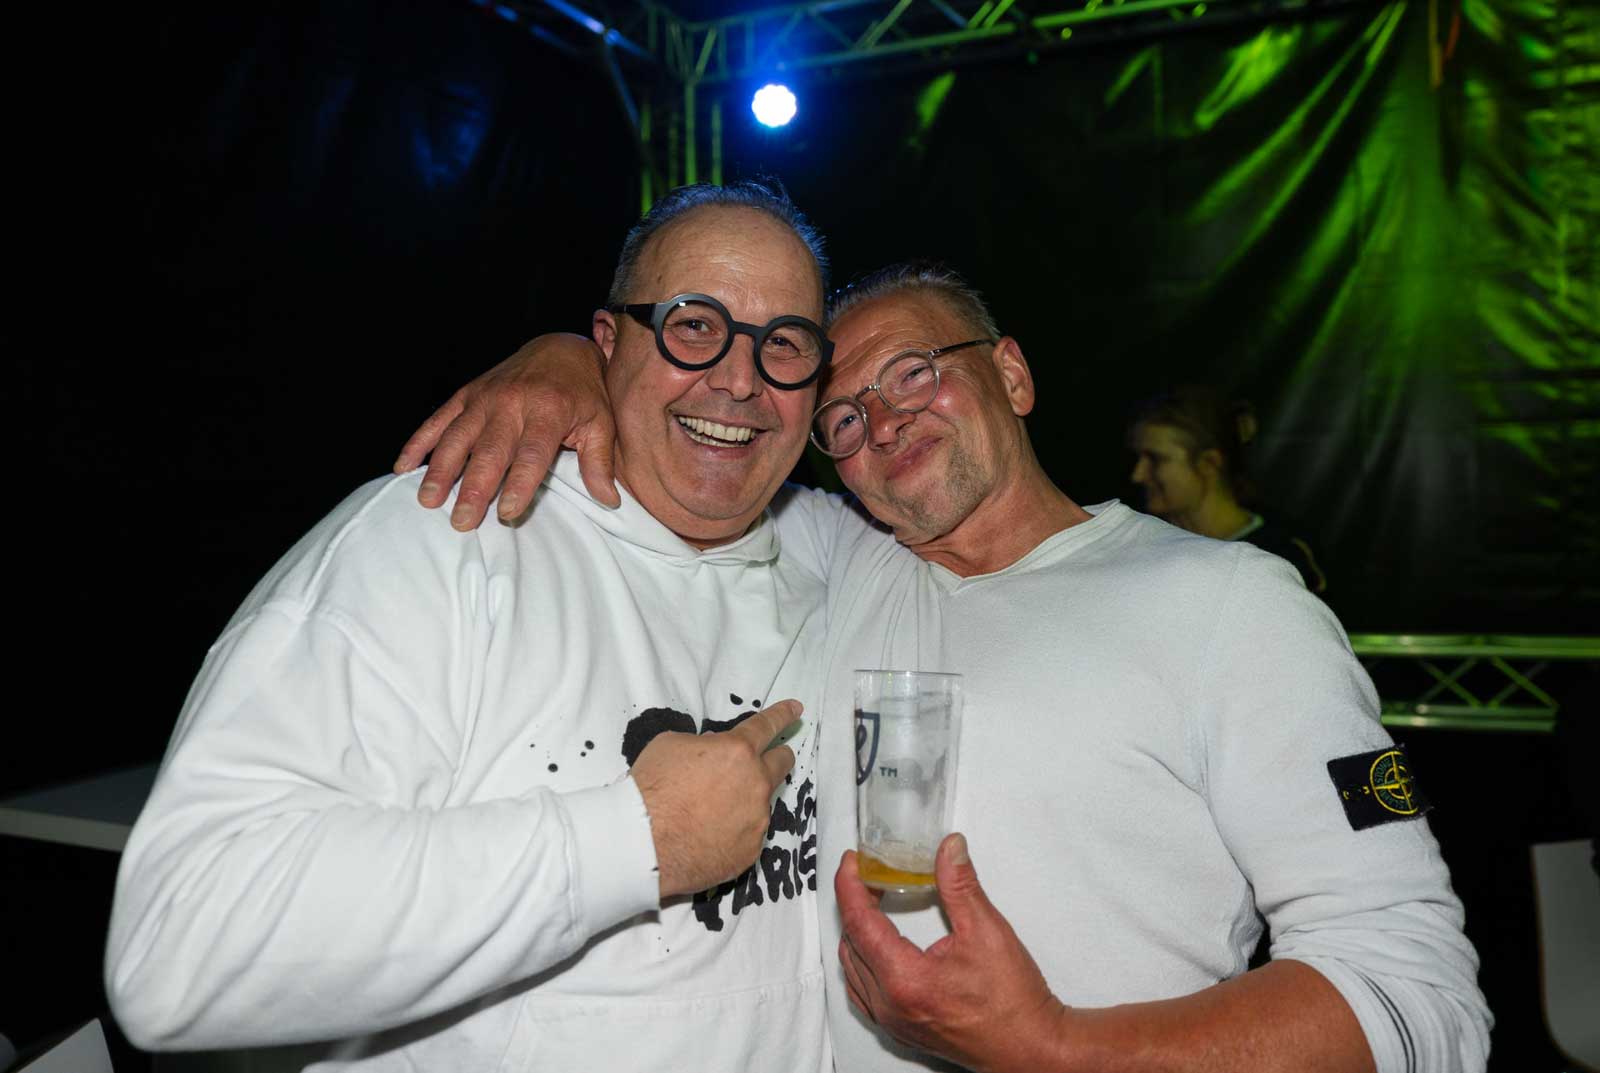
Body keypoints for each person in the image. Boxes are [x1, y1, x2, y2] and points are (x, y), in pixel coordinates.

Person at [396, 262, 1492, 1073]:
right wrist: (569, 360)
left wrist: (1055, 1046)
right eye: (843, 415)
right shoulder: (841, 559)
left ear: (1010, 372)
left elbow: (1420, 995)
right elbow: (703, 424)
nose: (882, 420)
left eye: (915, 371)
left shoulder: (1237, 606)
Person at [104, 181, 839, 1072]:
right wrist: (635, 837)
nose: (740, 379)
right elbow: (178, 943)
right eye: (693, 325)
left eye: (785, 342)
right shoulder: (447, 534)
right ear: (609, 343)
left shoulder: (834, 556)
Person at [1128, 384, 1328, 594]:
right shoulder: (1140, 544)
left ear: (1209, 463)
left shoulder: (1281, 556)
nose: (1138, 475)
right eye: (1138, 458)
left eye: (1155, 459)